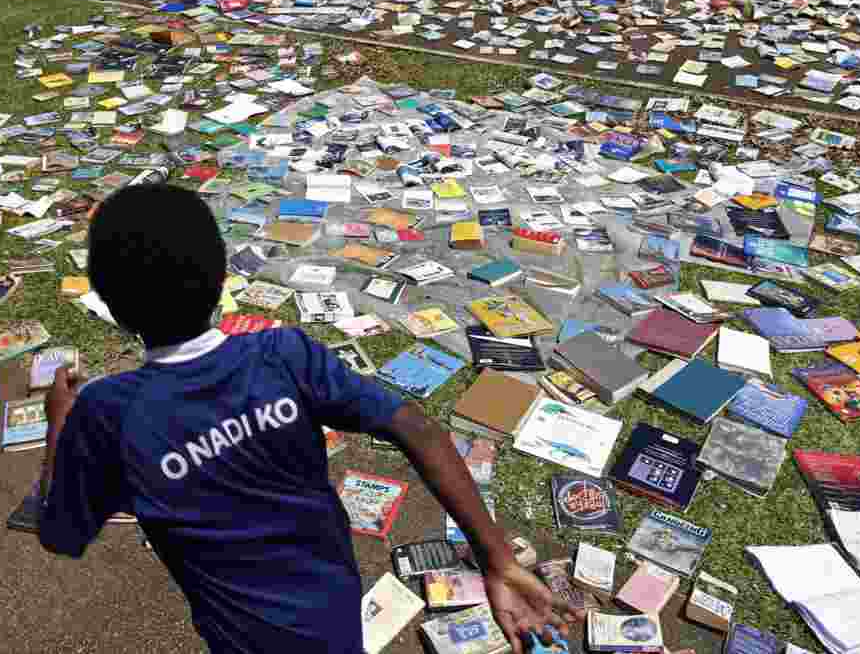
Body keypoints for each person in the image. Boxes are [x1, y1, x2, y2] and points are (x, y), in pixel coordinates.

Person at [37, 184, 581, 654]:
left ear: (108, 300)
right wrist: (496, 557)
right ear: (223, 272)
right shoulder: (284, 355)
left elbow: (60, 534)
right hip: (335, 606)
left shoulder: (106, 414)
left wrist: (59, 424)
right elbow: (415, 426)